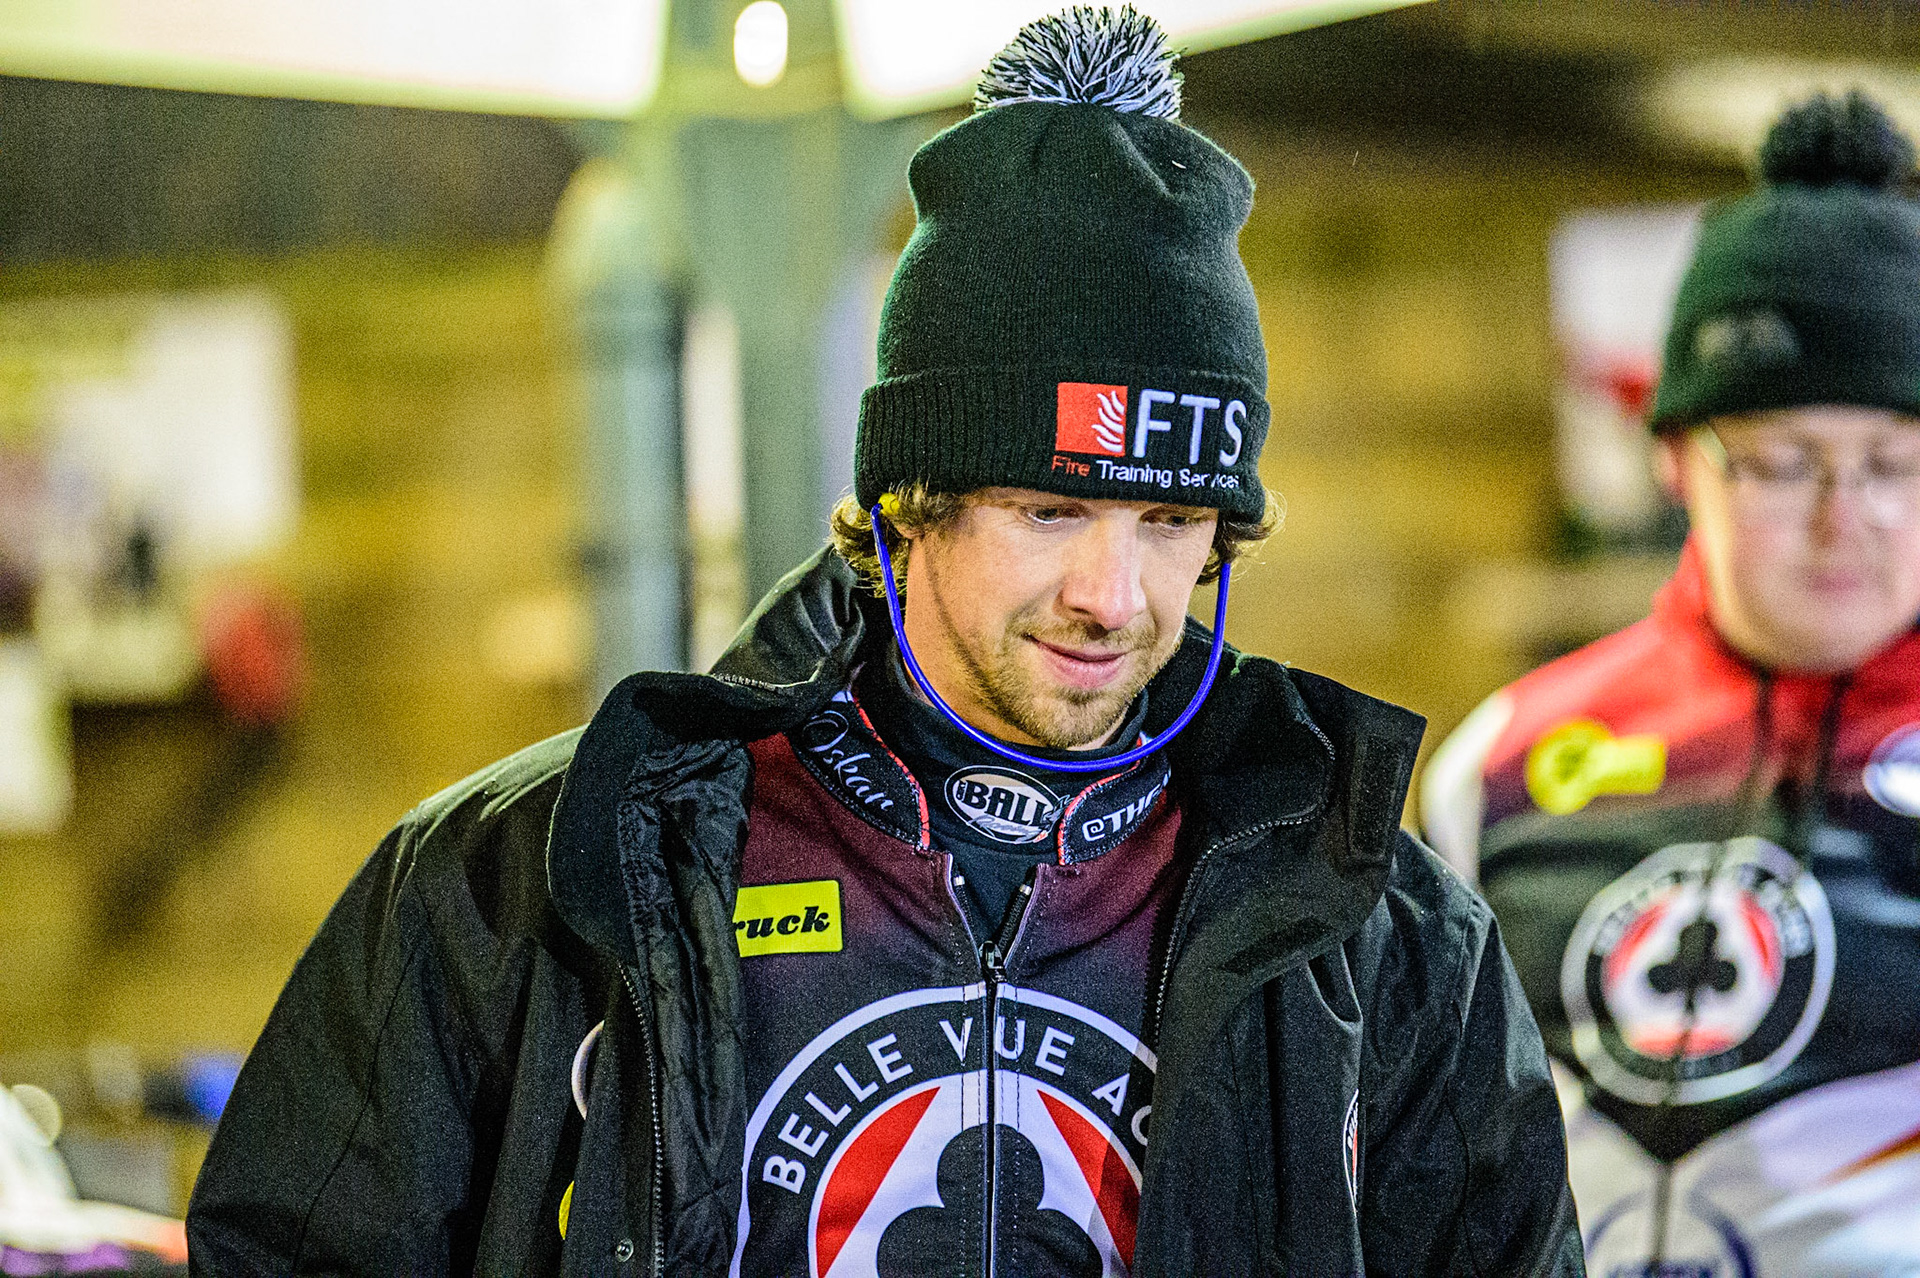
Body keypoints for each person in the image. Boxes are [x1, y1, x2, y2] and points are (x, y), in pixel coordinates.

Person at [188, 8, 1580, 1275]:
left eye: (1171, 518)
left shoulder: (1380, 939)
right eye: (1049, 509)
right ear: (905, 508)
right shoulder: (540, 876)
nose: (1115, 591)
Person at [1422, 92, 1920, 1277]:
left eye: (1895, 462)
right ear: (1673, 457)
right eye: (1782, 462)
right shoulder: (1500, 767)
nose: (1842, 517)